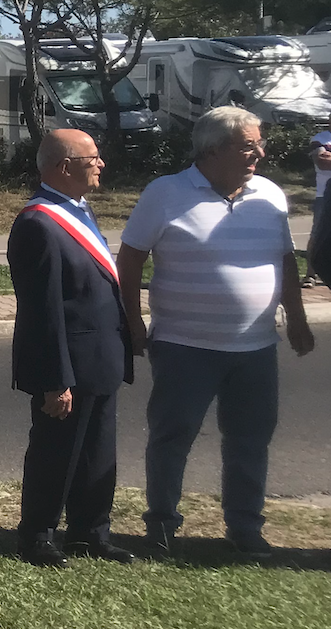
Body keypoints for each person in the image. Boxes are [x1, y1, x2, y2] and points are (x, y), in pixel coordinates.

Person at [118, 107, 316, 559]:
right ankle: (162, 526)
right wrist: (132, 321)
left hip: (256, 347)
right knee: (172, 438)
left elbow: (284, 259)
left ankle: (245, 528)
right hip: (184, 346)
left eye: (260, 143)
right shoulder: (166, 193)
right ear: (212, 150)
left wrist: (297, 318)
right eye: (248, 145)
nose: (260, 153)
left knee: (250, 440)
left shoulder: (269, 194)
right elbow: (129, 260)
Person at [10, 129, 134, 568]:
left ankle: (90, 531)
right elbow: (42, 311)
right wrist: (54, 379)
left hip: (99, 356)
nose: (101, 164)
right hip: (66, 365)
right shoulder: (38, 223)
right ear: (65, 167)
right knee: (56, 454)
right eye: (92, 158)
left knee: (97, 453)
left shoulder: (78, 210)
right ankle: (38, 535)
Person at [306, 130, 330, 286]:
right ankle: (310, 274)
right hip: (325, 196)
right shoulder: (320, 138)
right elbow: (322, 162)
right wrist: (326, 157)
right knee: (318, 234)